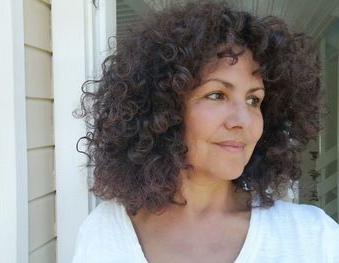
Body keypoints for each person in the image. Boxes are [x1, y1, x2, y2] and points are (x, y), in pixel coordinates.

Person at [72, 1, 339, 262]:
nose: (243, 120)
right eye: (216, 95)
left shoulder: (314, 238)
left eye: (254, 100)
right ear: (163, 110)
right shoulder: (103, 233)